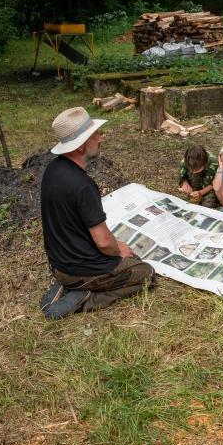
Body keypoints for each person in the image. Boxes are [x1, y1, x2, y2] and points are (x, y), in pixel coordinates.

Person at [39, 107, 155, 320]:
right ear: (81, 144)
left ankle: (66, 285)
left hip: (59, 264)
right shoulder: (82, 185)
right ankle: (84, 297)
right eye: (95, 135)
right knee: (146, 274)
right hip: (81, 269)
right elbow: (103, 243)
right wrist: (118, 250)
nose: (101, 139)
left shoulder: (52, 170)